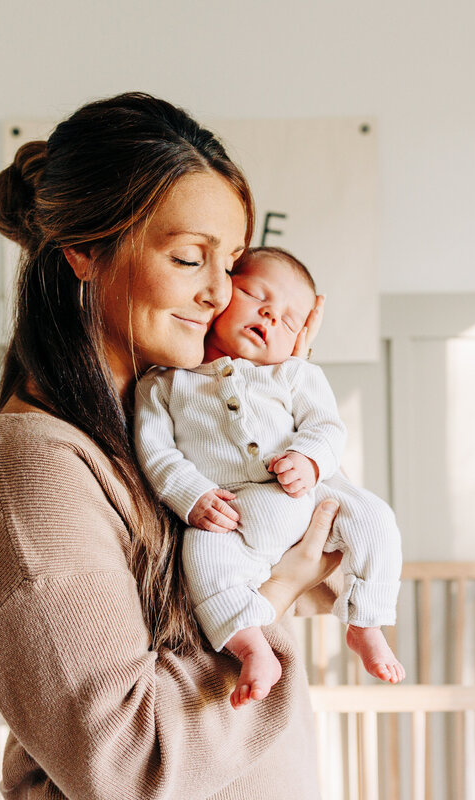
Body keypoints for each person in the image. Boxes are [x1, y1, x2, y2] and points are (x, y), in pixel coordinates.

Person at [0, 93, 340, 800]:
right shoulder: (33, 470)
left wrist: (287, 392)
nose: (220, 295)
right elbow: (127, 761)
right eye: (190, 259)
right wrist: (273, 596)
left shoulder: (162, 422)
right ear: (85, 252)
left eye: (234, 265)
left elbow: (326, 567)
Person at [134, 248, 405, 709]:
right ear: (218, 297)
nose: (270, 315)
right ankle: (254, 648)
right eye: (255, 295)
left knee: (375, 518)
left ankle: (366, 623)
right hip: (232, 512)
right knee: (202, 558)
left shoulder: (295, 372)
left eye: (289, 319)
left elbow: (326, 428)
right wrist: (193, 496)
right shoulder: (164, 383)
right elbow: (157, 454)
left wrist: (309, 458)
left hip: (311, 492)